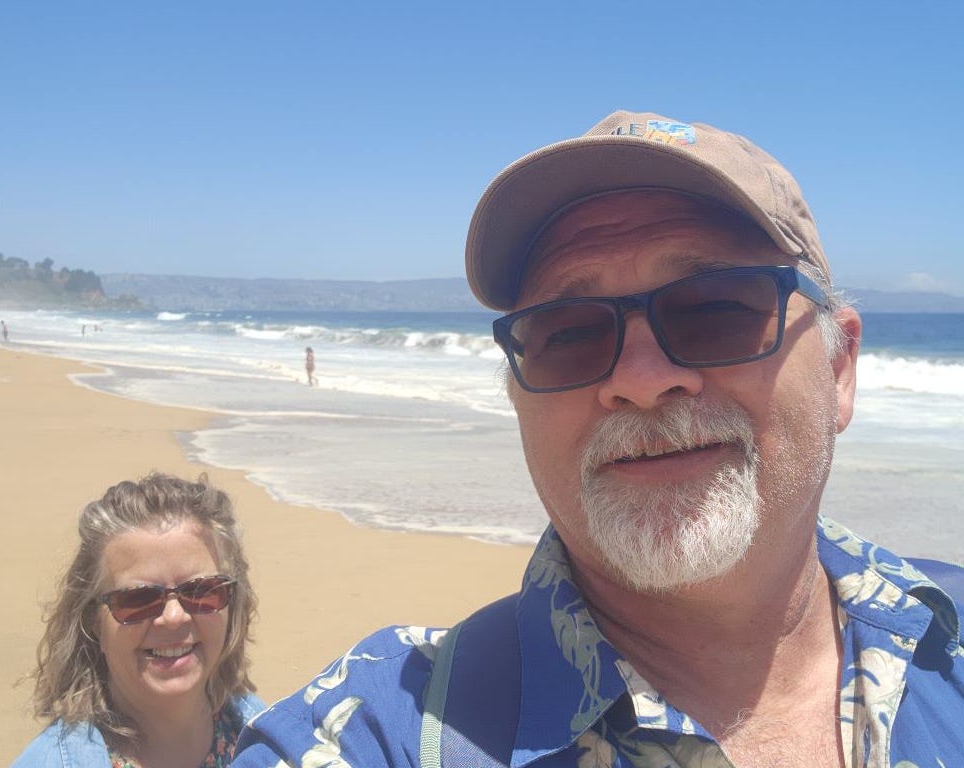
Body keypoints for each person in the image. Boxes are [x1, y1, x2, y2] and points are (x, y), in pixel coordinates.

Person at [234, 110, 964, 767]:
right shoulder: (384, 733)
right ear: (517, 396)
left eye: (714, 308)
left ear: (838, 370)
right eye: (569, 333)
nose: (640, 380)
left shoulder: (948, 644)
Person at [13, 472, 264, 767]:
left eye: (202, 592)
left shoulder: (263, 734)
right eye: (138, 599)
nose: (173, 617)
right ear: (94, 622)